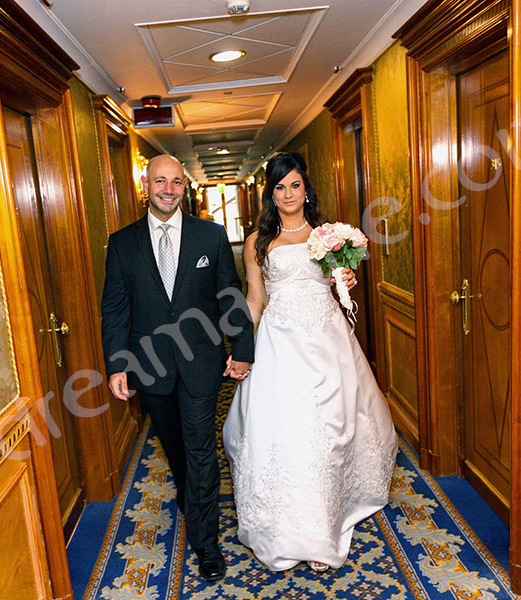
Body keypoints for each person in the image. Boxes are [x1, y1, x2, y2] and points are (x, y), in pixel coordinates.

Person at [222, 152, 397, 572]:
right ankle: (289, 526)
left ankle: (327, 526)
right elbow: (255, 300)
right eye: (279, 187)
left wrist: (346, 277)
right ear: (271, 193)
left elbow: (340, 285)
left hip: (327, 341)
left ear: (306, 188)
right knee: (284, 434)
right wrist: (239, 346)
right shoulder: (256, 242)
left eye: (294, 185)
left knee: (332, 431)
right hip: (279, 345)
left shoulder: (329, 234)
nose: (287, 194)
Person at [100, 154, 255, 582]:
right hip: (150, 368)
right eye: (159, 181)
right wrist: (117, 364)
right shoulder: (123, 243)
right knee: (178, 452)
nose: (167, 189)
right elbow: (114, 308)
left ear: (184, 187)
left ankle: (206, 543)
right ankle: (194, 498)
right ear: (145, 186)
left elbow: (230, 294)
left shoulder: (211, 236)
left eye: (175, 182)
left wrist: (242, 348)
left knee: (202, 449)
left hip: (202, 364)